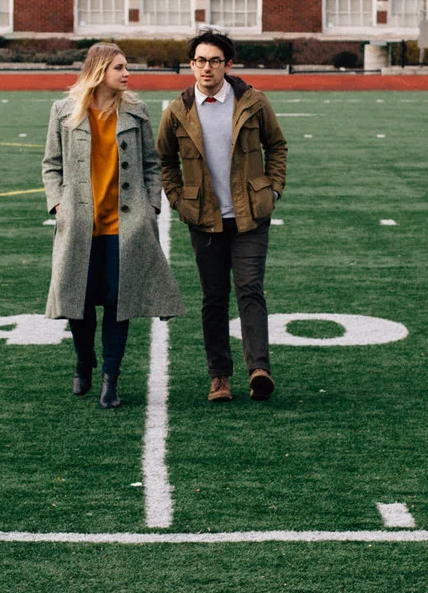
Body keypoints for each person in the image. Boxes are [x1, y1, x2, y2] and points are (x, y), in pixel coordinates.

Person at [42, 42, 184, 408]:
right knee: (78, 301)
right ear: (99, 70)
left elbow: (152, 164)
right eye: (119, 68)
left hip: (125, 225)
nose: (127, 74)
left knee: (119, 305)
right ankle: (83, 359)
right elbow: (51, 164)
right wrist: (57, 203)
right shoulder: (64, 111)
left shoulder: (136, 111)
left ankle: (111, 378)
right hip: (79, 224)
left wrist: (151, 204)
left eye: (126, 67)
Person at [155, 30, 289, 403]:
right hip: (204, 219)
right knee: (214, 299)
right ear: (192, 65)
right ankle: (219, 377)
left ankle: (259, 370)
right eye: (200, 60)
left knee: (250, 291)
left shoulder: (252, 102)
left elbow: (276, 145)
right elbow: (164, 160)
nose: (207, 68)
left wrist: (273, 189)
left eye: (215, 60)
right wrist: (179, 199)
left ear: (228, 65)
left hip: (250, 216)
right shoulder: (178, 111)